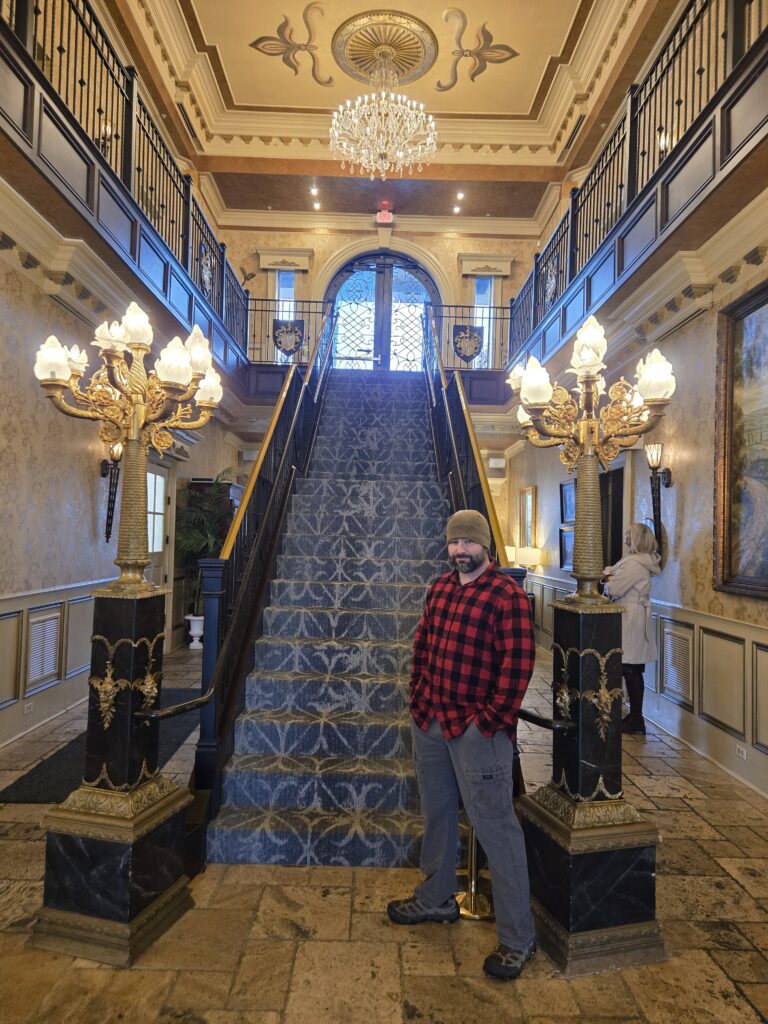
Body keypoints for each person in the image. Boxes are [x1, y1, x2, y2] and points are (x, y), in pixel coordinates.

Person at [387, 509, 537, 981]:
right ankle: (435, 899)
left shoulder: (507, 596)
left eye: (468, 543)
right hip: (431, 721)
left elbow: (517, 667)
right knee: (437, 814)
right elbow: (423, 647)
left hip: (478, 733)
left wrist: (489, 723)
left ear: (484, 547)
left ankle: (517, 939)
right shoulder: (440, 588)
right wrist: (418, 699)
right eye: (454, 543)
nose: (459, 551)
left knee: (496, 829)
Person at [602, 522, 661, 735]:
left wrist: (608, 578)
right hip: (634, 615)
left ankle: (636, 719)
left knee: (630, 668)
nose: (625, 534)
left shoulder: (635, 564)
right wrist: (609, 575)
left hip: (631, 617)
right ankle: (635, 716)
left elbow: (614, 587)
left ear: (636, 538)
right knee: (631, 668)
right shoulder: (638, 561)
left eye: (629, 532)